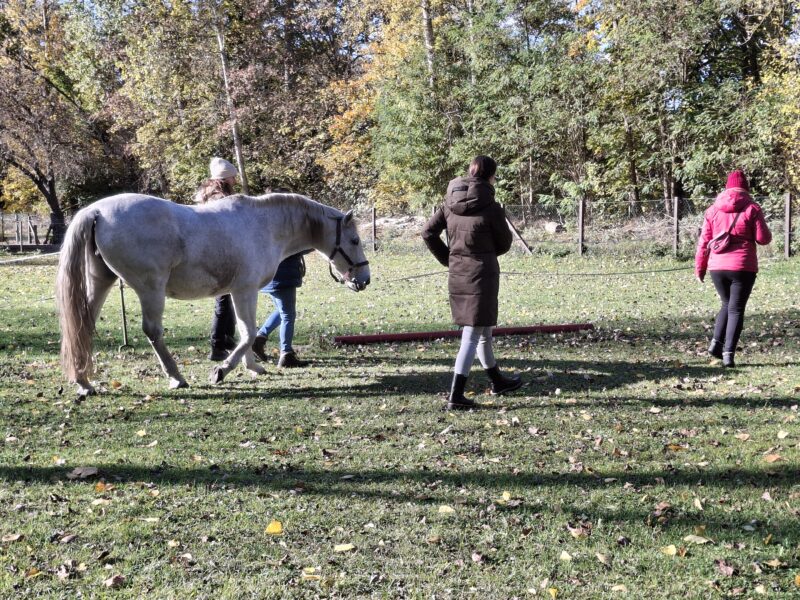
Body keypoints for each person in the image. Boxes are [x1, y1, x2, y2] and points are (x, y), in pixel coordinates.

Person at [422, 155, 523, 410]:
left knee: (483, 329)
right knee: (472, 333)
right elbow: (504, 243)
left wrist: (449, 258)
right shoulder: (491, 207)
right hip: (482, 274)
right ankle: (455, 396)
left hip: (458, 272)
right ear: (491, 176)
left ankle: (497, 381)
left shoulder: (448, 203)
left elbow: (427, 232)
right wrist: (483, 254)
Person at [695, 169, 772, 367]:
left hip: (717, 266)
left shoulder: (712, 210)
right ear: (745, 188)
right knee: (736, 309)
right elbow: (763, 239)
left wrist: (700, 268)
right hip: (742, 266)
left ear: (727, 188)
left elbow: (704, 241)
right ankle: (728, 354)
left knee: (726, 303)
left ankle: (716, 343)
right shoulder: (752, 208)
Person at [194, 157, 239, 361]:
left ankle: (227, 338)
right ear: (225, 178)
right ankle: (217, 345)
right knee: (223, 299)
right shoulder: (220, 199)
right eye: (232, 177)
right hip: (218, 253)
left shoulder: (208, 195)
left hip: (216, 250)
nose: (235, 181)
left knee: (228, 297)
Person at [251, 251, 309, 368]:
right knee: (288, 315)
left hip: (271, 275)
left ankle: (259, 338)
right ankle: (286, 354)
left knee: (282, 311)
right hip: (283, 275)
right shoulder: (287, 233)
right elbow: (297, 247)